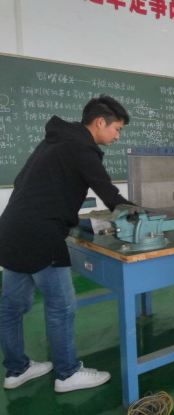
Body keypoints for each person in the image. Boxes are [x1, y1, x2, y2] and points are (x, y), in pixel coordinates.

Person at [0, 95, 132, 392]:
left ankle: (17, 370)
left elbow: (24, 182)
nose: (117, 136)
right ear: (100, 122)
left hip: (10, 229)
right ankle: (68, 373)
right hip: (41, 234)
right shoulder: (82, 147)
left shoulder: (53, 141)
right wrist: (140, 213)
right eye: (117, 129)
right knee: (61, 307)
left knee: (11, 308)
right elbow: (109, 194)